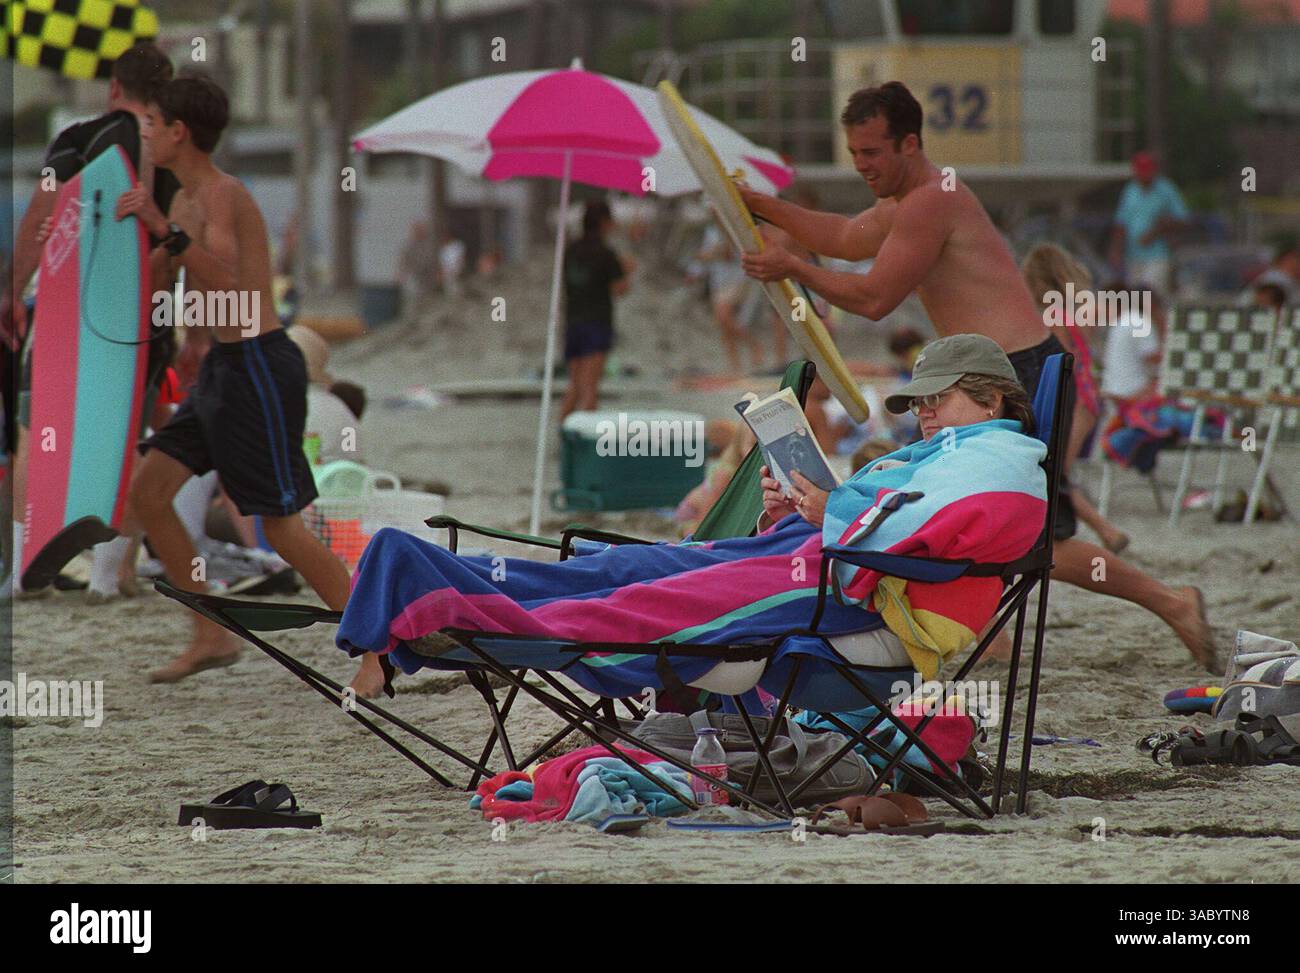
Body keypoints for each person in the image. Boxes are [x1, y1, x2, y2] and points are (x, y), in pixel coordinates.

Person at [737, 81, 1215, 671]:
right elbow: (842, 237)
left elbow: (875, 296)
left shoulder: (932, 199)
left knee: (1034, 536)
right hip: (969, 378)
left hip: (1012, 378)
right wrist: (762, 205)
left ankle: (1172, 603)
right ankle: (991, 641)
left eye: (872, 152)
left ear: (909, 144)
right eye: (854, 153)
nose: (861, 165)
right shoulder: (904, 201)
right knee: (935, 513)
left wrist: (789, 263)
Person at [337, 336, 1050, 698]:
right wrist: (796, 510)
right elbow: (893, 514)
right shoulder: (954, 449)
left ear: (990, 399)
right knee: (625, 566)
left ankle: (442, 608)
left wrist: (829, 508)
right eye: (917, 401)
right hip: (818, 565)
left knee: (646, 603)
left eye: (938, 399)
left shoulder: (1002, 462)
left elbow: (936, 530)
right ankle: (422, 572)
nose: (922, 413)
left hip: (858, 600)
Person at [112, 76, 358, 690]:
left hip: (260, 366)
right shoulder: (181, 201)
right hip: (220, 368)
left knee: (281, 526)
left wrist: (167, 234)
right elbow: (166, 282)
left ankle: (376, 646)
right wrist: (133, 244)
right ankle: (210, 633)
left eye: (152, 123)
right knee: (148, 494)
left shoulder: (226, 195)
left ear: (179, 132)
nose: (144, 132)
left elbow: (234, 288)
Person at [2, 43, 178, 597]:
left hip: (72, 317)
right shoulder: (176, 147)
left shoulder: (83, 138)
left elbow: (43, 210)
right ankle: (107, 575)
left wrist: (11, 291)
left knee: (37, 432)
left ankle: (23, 570)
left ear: (114, 88)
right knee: (125, 435)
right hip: (147, 315)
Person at [1021, 243, 1129, 553]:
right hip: (1089, 394)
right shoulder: (1080, 310)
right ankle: (1104, 531)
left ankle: (1106, 531)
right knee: (1057, 471)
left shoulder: (1053, 315)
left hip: (1074, 396)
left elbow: (1061, 361)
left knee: (1055, 471)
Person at [559, 200, 633, 419]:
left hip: (573, 321)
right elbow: (619, 289)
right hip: (597, 322)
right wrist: (627, 271)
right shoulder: (606, 253)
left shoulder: (570, 250)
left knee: (575, 384)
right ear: (604, 223)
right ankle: (586, 444)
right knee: (590, 387)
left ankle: (563, 432)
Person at [1107, 151, 1190, 296]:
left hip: (1158, 254)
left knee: (1152, 292)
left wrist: (1159, 229)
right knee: (1134, 297)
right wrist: (1116, 250)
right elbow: (1121, 223)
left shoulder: (1166, 190)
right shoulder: (1130, 190)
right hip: (1133, 254)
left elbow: (1183, 219)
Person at [698, 221, 762, 375]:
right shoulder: (711, 230)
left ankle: (753, 344)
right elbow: (703, 255)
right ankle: (735, 366)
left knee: (724, 316)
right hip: (718, 280)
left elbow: (729, 254)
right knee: (724, 325)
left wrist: (715, 252)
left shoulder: (735, 229)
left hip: (737, 279)